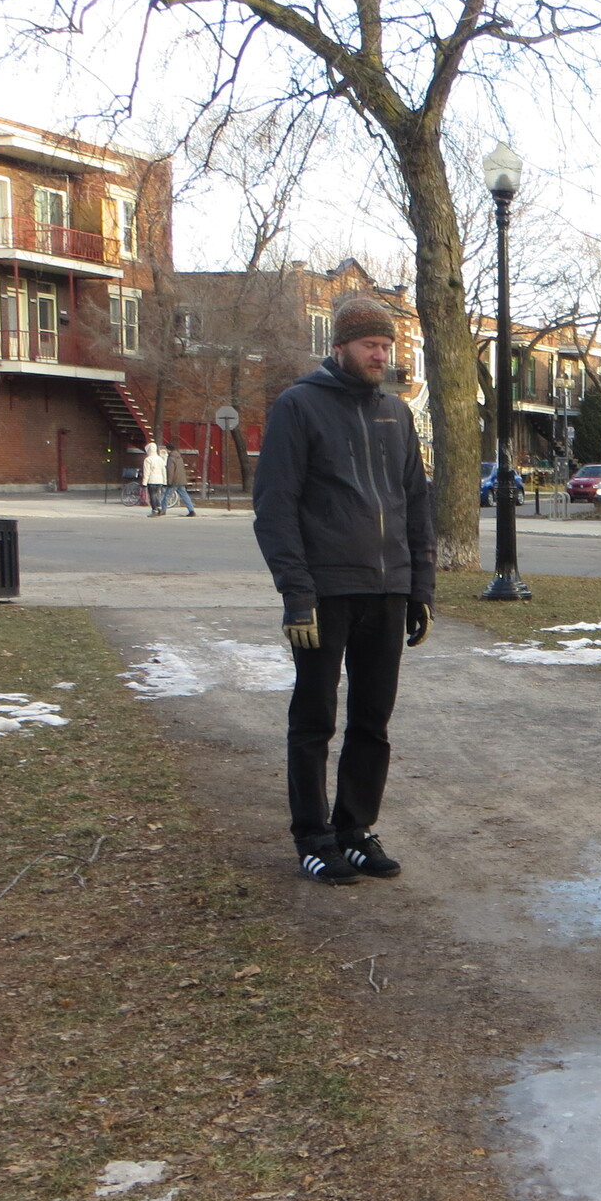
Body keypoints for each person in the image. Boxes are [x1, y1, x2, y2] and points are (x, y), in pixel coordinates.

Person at [252, 296, 434, 886]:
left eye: (386, 345)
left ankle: (355, 830)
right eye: (369, 345)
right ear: (340, 347)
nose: (380, 355)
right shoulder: (298, 406)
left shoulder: (396, 413)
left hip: (387, 590)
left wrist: (420, 588)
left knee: (372, 720)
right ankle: (313, 836)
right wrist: (296, 594)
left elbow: (415, 504)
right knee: (314, 720)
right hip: (325, 593)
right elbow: (275, 507)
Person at [158, 444, 197, 516]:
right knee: (185, 495)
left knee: (166, 496)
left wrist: (169, 481)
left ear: (168, 450)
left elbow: (170, 471)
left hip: (174, 481)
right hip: (181, 480)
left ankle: (163, 510)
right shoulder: (179, 457)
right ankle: (191, 510)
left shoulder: (171, 458)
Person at [142, 441, 168, 515]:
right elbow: (164, 471)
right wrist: (165, 481)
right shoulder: (160, 459)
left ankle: (154, 509)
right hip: (160, 480)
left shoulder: (148, 459)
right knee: (157, 495)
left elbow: (146, 472)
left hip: (151, 480)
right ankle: (159, 507)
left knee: (152, 496)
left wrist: (144, 483)